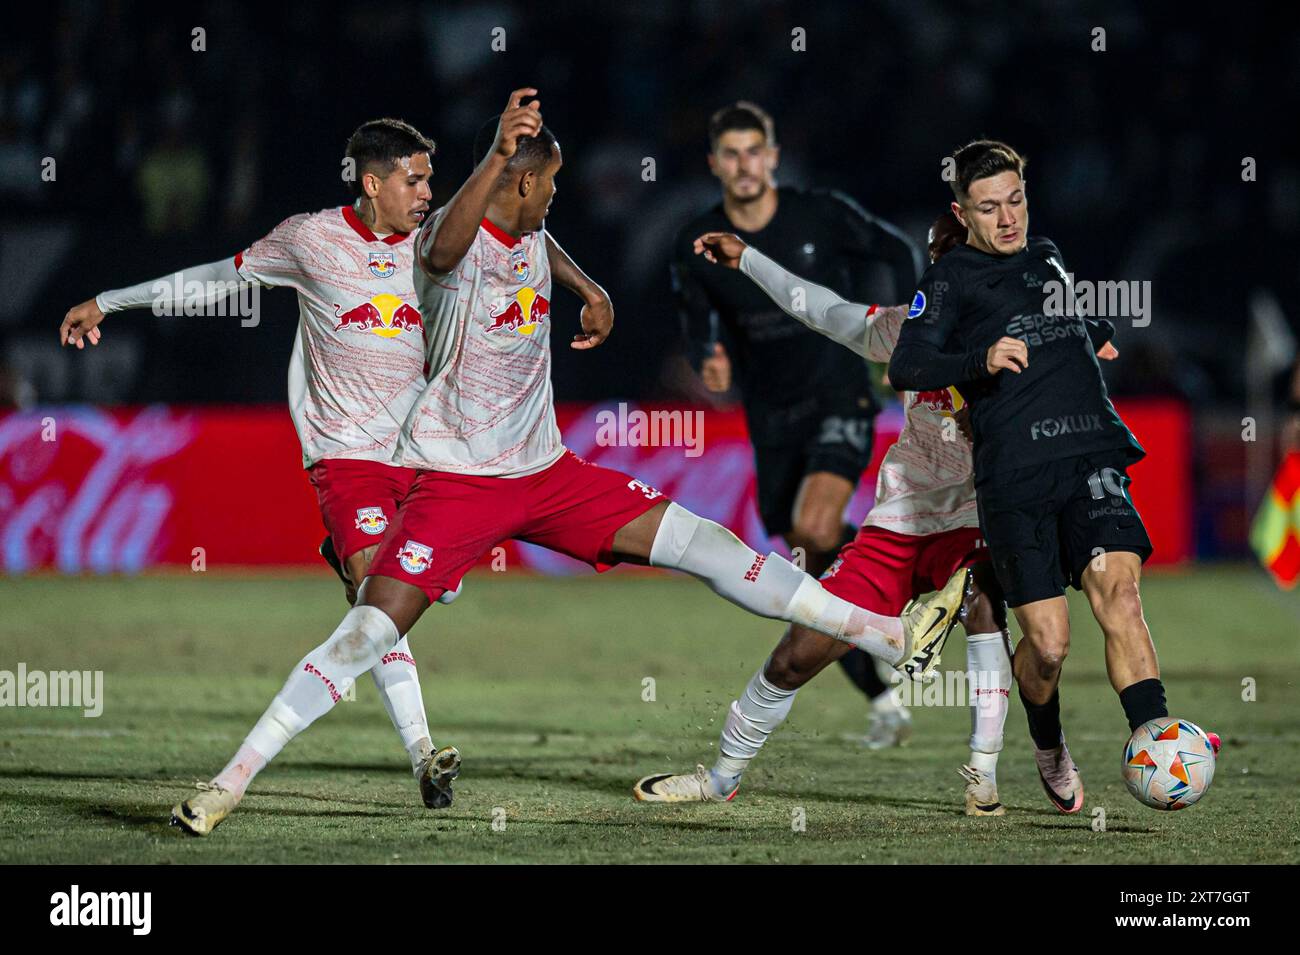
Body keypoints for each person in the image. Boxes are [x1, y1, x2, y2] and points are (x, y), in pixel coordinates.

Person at [168, 89, 970, 836]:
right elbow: (444, 253)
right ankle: (229, 783)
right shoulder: (445, 241)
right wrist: (495, 153)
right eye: (547, 182)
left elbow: (541, 240)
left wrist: (591, 288)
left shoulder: (529, 230)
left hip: (550, 474)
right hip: (457, 485)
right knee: (366, 633)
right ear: (516, 184)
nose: (556, 193)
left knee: (710, 545)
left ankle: (884, 633)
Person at [634, 211, 1121, 812]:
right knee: (801, 653)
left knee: (984, 604)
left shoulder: (1031, 334)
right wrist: (749, 259)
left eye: (961, 258)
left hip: (985, 512)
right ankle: (723, 775)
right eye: (938, 261)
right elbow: (822, 308)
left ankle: (987, 771)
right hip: (903, 518)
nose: (946, 272)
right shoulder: (907, 331)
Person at [59, 119, 465, 807]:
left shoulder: (439, 249)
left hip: (426, 459)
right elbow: (214, 281)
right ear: (371, 183)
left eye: (430, 178)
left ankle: (422, 755)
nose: (429, 192)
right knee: (375, 587)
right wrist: (110, 300)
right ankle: (423, 752)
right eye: (415, 178)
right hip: (347, 459)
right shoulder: (311, 239)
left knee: (381, 610)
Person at [887, 140, 1218, 813]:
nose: (1008, 217)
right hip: (1013, 477)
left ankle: (1155, 739)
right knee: (1048, 644)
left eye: (1016, 200)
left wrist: (1090, 327)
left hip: (1090, 453)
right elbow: (907, 366)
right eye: (989, 206)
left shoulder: (1047, 254)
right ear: (962, 211)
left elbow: (1045, 313)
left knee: (1120, 595)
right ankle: (1048, 744)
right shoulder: (949, 280)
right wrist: (980, 358)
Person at [672, 101, 924, 747]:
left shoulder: (820, 213)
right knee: (811, 563)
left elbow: (895, 249)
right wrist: (709, 359)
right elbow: (697, 321)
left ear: (774, 157)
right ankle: (885, 677)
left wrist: (908, 334)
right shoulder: (697, 241)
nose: (743, 164)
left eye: (754, 150)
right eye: (730, 153)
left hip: (840, 398)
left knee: (815, 527)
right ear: (714, 164)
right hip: (771, 416)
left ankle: (892, 598)